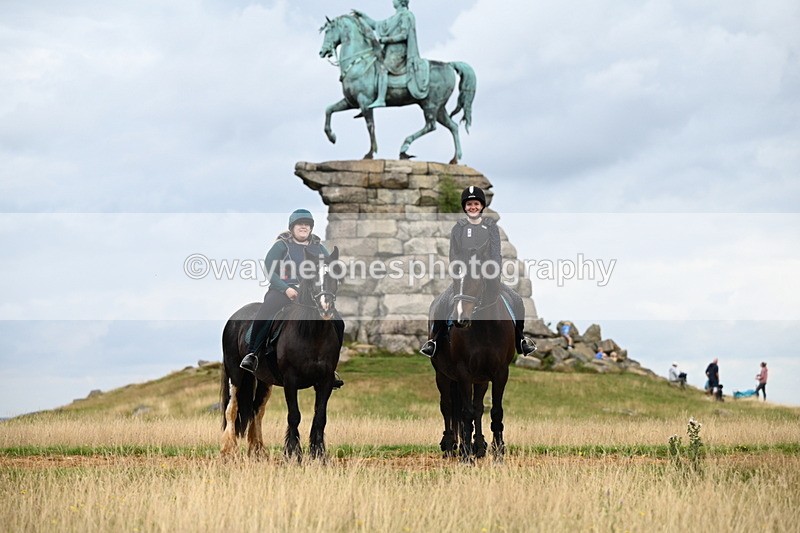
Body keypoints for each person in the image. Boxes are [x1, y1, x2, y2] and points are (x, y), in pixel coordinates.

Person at [420, 186, 536, 358]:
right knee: (442, 302)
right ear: (464, 207)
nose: (472, 207)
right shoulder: (458, 228)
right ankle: (434, 341)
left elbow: (496, 252)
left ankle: (520, 339)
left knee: (517, 300)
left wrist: (492, 272)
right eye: (469, 204)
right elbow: (454, 254)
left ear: (481, 206)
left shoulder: (490, 227)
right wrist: (459, 271)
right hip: (464, 277)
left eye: (475, 203)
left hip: (488, 276)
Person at [240, 209, 345, 382]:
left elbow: (330, 266)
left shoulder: (318, 247)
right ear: (292, 227)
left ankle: (331, 368)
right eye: (300, 224)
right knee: (266, 312)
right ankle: (252, 353)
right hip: (282, 290)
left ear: (311, 228)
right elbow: (269, 270)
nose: (303, 227)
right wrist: (285, 289)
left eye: (307, 225)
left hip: (310, 294)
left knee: (338, 322)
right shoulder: (281, 245)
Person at [352, 0, 428, 108]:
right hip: (389, 51)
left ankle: (381, 99)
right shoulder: (394, 18)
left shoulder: (406, 16)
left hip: (399, 52)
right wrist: (363, 16)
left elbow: (404, 35)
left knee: (383, 69)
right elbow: (375, 25)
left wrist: (386, 39)